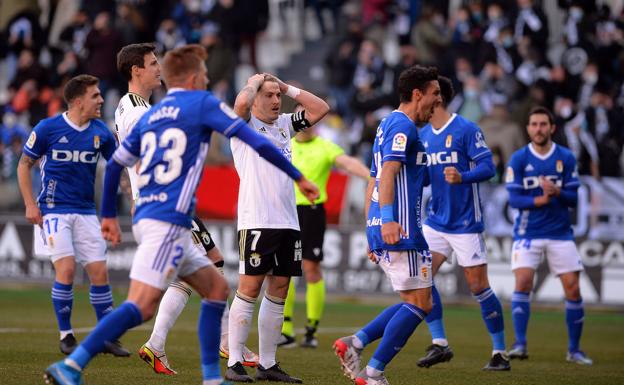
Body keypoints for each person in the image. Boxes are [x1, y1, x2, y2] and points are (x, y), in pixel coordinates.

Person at [43, 44, 319, 385]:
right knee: (141, 306)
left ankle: (211, 375)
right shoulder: (197, 104)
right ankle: (72, 365)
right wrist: (299, 177)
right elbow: (258, 142)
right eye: (203, 73)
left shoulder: (156, 113)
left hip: (164, 214)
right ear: (192, 78)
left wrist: (110, 216)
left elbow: (116, 163)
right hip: (165, 219)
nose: (207, 78)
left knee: (217, 288)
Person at [113, 43, 258, 375]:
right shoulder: (138, 111)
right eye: (152, 63)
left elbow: (127, 162)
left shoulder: (129, 107)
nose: (158, 69)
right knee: (153, 296)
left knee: (213, 264)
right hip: (164, 204)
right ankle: (184, 345)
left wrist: (130, 193)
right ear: (136, 70)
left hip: (161, 203)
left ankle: (207, 343)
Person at [333, 65, 441, 385]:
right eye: (435, 94)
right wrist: (389, 221)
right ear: (417, 94)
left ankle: (356, 343)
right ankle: (374, 372)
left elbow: (373, 179)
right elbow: (389, 172)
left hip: (386, 226)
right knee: (421, 303)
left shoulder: (386, 124)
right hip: (402, 228)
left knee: (415, 302)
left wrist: (373, 228)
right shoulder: (403, 126)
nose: (438, 102)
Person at [225, 74, 330, 383]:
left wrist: (287, 87)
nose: (275, 101)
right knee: (250, 287)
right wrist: (252, 82)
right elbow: (241, 102)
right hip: (257, 220)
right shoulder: (242, 127)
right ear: (255, 98)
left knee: (280, 288)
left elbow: (320, 108)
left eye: (277, 96)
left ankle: (268, 364)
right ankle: (234, 362)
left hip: (288, 220)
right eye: (268, 95)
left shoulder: (285, 124)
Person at [16, 74, 130, 358]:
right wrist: (30, 204)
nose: (102, 100)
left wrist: (132, 194)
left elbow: (118, 167)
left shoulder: (101, 133)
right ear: (79, 101)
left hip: (86, 212)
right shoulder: (48, 128)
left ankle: (106, 337)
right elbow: (24, 164)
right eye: (96, 96)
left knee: (100, 273)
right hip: (54, 209)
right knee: (66, 271)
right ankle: (66, 335)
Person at [417, 76, 509, 371]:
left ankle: (500, 352)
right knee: (422, 278)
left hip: (466, 222)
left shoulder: (466, 129)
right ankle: (440, 343)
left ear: (438, 97)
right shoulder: (424, 135)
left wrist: (463, 176)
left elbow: (489, 167)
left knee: (478, 286)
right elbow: (430, 177)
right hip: (436, 221)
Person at [506, 106, 592, 365]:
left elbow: (574, 198)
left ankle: (574, 350)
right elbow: (513, 199)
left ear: (552, 128)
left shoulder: (565, 157)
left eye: (543, 124)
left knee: (573, 288)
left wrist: (557, 192)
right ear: (528, 128)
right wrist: (541, 198)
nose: (538, 129)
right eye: (534, 124)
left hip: (559, 233)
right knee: (522, 284)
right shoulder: (519, 159)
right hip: (527, 232)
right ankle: (520, 344)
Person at [279, 104, 370, 349]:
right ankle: (285, 330)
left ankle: (311, 330)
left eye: (309, 115)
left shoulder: (325, 147)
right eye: (300, 114)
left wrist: (372, 177)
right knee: (283, 271)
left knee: (310, 269)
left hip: (311, 213)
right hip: (286, 211)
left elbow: (348, 163)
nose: (305, 119)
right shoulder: (284, 143)